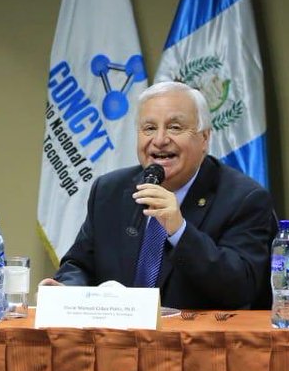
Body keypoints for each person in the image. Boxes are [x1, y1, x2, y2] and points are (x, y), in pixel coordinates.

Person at [51, 81, 277, 310]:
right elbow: (78, 265)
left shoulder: (245, 199)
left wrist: (180, 231)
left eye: (175, 127)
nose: (159, 140)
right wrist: (66, 290)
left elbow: (240, 289)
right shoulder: (109, 191)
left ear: (205, 138)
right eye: (149, 128)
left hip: (195, 333)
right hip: (117, 331)